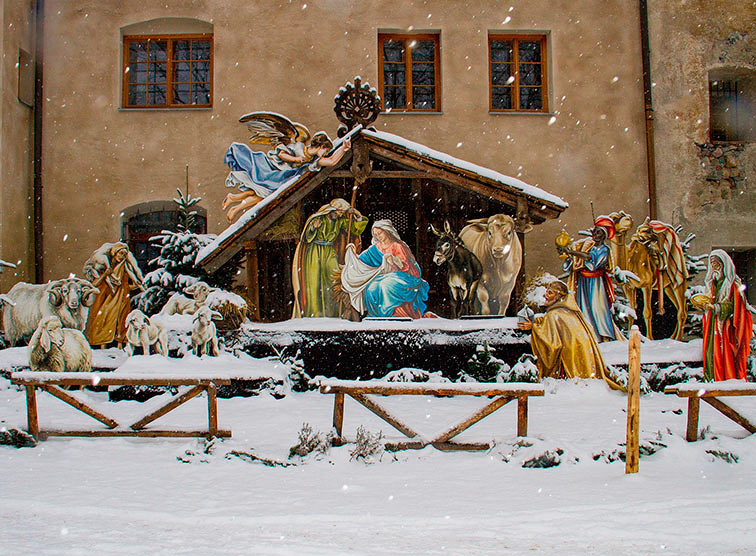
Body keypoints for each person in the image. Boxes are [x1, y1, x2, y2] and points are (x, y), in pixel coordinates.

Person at [517, 280, 623, 390]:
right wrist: (538, 322)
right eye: (547, 292)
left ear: (558, 297)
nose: (545, 295)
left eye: (550, 293)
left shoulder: (554, 314)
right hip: (582, 358)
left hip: (568, 364)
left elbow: (552, 344)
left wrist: (533, 327)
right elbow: (552, 325)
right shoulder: (569, 312)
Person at [223, 133, 351, 222]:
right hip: (275, 171)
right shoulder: (299, 147)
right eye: (325, 151)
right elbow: (281, 153)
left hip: (284, 179)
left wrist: (344, 149)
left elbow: (332, 161)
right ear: (321, 146)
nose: (325, 154)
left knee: (262, 194)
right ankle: (235, 203)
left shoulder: (314, 160)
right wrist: (295, 159)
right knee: (262, 191)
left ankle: (235, 202)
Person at [291, 199, 368, 318]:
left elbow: (354, 229)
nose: (341, 215)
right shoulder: (318, 219)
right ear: (332, 210)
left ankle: (334, 313)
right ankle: (314, 314)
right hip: (314, 252)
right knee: (314, 283)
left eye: (342, 213)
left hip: (329, 251)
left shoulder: (339, 221)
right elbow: (306, 238)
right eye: (339, 212)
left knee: (334, 279)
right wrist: (313, 228)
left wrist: (358, 216)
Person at [341, 220, 432, 319]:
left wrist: (393, 260)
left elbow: (404, 265)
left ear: (387, 231)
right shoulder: (375, 248)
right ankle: (376, 315)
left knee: (385, 285)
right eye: (375, 234)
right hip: (386, 276)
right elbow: (362, 260)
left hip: (404, 276)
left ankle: (390, 314)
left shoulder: (397, 246)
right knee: (371, 287)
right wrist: (352, 253)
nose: (378, 236)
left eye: (379, 233)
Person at [558, 217, 622, 341]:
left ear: (604, 236)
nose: (594, 234)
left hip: (596, 283)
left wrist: (572, 252)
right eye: (594, 231)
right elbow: (579, 261)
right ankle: (590, 335)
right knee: (584, 308)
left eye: (598, 232)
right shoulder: (589, 247)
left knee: (598, 309)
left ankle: (605, 335)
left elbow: (590, 259)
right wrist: (571, 257)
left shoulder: (604, 250)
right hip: (583, 282)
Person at [701, 249, 753, 381]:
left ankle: (726, 379)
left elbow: (735, 307)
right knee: (711, 353)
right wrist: (704, 305)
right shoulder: (712, 283)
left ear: (724, 264)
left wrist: (717, 308)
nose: (714, 267)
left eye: (717, 263)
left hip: (726, 327)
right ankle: (712, 378)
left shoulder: (732, 285)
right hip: (713, 325)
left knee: (725, 355)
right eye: (712, 264)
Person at [84, 242, 145, 348]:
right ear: (114, 253)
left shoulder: (123, 270)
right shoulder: (103, 267)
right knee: (103, 320)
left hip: (121, 302)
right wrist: (105, 275)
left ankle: (120, 346)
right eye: (120, 253)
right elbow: (95, 284)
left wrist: (135, 285)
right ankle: (102, 346)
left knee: (121, 323)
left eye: (124, 254)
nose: (122, 257)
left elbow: (124, 287)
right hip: (105, 301)